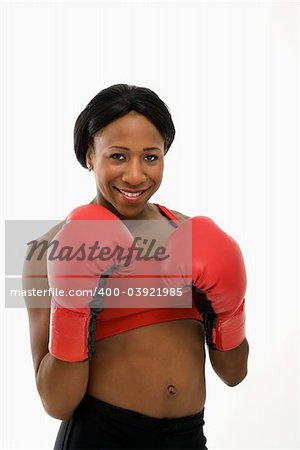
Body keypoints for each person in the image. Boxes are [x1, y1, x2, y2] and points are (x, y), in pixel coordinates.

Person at [23, 84, 249, 450]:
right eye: (117, 156)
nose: (134, 176)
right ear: (89, 156)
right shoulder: (47, 251)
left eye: (150, 157)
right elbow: (56, 402)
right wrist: (76, 308)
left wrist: (227, 313)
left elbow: (234, 373)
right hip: (100, 437)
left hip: (188, 438)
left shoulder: (191, 235)